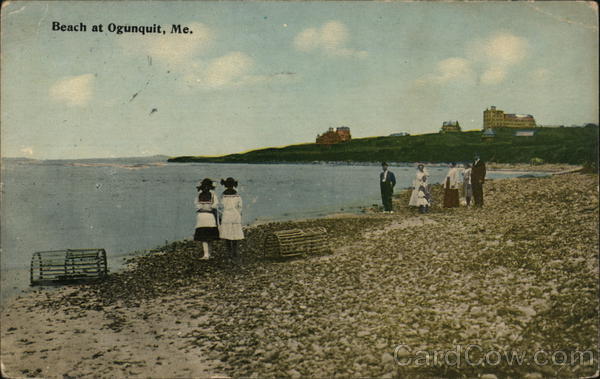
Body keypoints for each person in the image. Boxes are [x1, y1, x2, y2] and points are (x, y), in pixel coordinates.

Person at [219, 177, 244, 259]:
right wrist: (240, 215)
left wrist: (220, 217)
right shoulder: (237, 195)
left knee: (227, 234)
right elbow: (240, 207)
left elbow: (220, 207)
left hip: (226, 215)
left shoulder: (223, 195)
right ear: (234, 185)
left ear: (225, 185)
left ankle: (229, 253)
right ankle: (235, 252)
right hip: (235, 215)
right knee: (235, 234)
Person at [194, 178, 219, 260]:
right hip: (209, 216)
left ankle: (206, 254)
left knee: (204, 238)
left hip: (202, 217)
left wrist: (203, 207)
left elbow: (197, 205)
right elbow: (215, 205)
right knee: (209, 237)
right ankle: (209, 254)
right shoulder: (212, 195)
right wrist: (210, 208)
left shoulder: (199, 195)